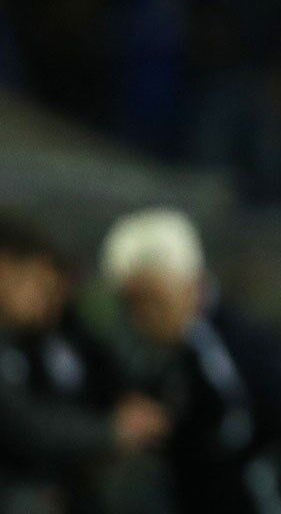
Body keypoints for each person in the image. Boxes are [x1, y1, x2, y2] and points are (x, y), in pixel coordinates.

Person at [99, 208, 281, 514]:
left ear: (191, 285)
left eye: (153, 301)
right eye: (132, 304)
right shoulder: (161, 355)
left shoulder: (240, 349)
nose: (143, 318)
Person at [0, 214, 170, 514]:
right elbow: (22, 424)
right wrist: (110, 432)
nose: (46, 301)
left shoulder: (43, 336)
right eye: (38, 284)